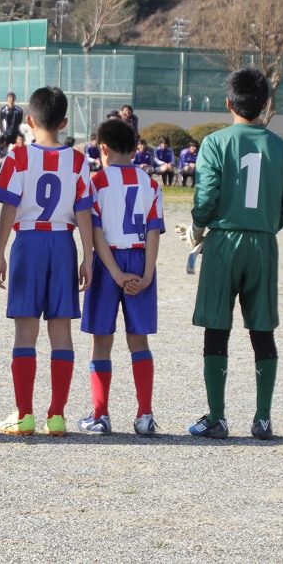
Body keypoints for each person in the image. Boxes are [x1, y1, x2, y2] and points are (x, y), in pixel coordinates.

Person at [186, 67, 283, 440]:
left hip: (223, 242)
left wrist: (198, 228)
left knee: (217, 328)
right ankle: (263, 417)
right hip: (263, 243)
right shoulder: (280, 146)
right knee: (262, 329)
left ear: (228, 103)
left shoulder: (215, 143)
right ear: (266, 103)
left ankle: (217, 417)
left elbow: (206, 196)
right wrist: (265, 225)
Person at [0, 86, 94, 436]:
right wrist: (88, 257)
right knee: (61, 331)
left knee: (25, 330)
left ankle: (24, 414)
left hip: (29, 241)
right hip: (63, 243)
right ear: (64, 122)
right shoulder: (79, 161)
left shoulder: (18, 157)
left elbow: (9, 207)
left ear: (29, 121)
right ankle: (57, 416)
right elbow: (84, 213)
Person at [78, 117, 164, 437]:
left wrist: (115, 273)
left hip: (108, 262)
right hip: (141, 258)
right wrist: (146, 273)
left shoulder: (96, 182)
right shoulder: (150, 183)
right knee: (138, 341)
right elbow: (154, 231)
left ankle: (100, 415)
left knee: (102, 341)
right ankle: (145, 415)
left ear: (103, 148)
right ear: (134, 147)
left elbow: (96, 230)